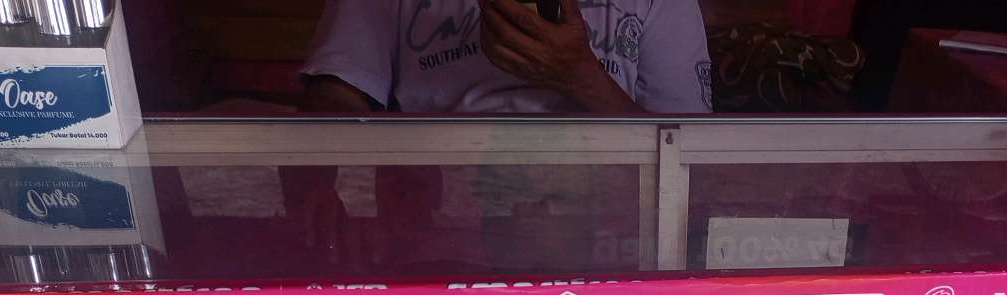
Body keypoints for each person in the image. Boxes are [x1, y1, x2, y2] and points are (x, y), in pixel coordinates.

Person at [301, 0, 712, 116]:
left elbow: (688, 152)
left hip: (606, 216)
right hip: (434, 209)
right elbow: (337, 94)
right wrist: (320, 190)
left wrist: (580, 78)